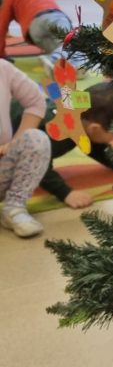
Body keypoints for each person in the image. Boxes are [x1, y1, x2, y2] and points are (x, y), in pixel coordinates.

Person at [9, 79, 113, 209]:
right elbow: (37, 165)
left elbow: (94, 146)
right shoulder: (56, 133)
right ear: (95, 129)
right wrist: (65, 193)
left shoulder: (82, 119)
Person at [0, 58, 51, 237]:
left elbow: (36, 100)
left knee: (37, 139)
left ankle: (14, 207)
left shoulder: (3, 68)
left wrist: (15, 142)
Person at [0, 0, 73, 59]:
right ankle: (56, 59)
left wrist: (1, 54)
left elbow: (2, 25)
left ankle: (52, 60)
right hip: (52, 18)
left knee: (58, 50)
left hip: (34, 31)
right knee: (70, 45)